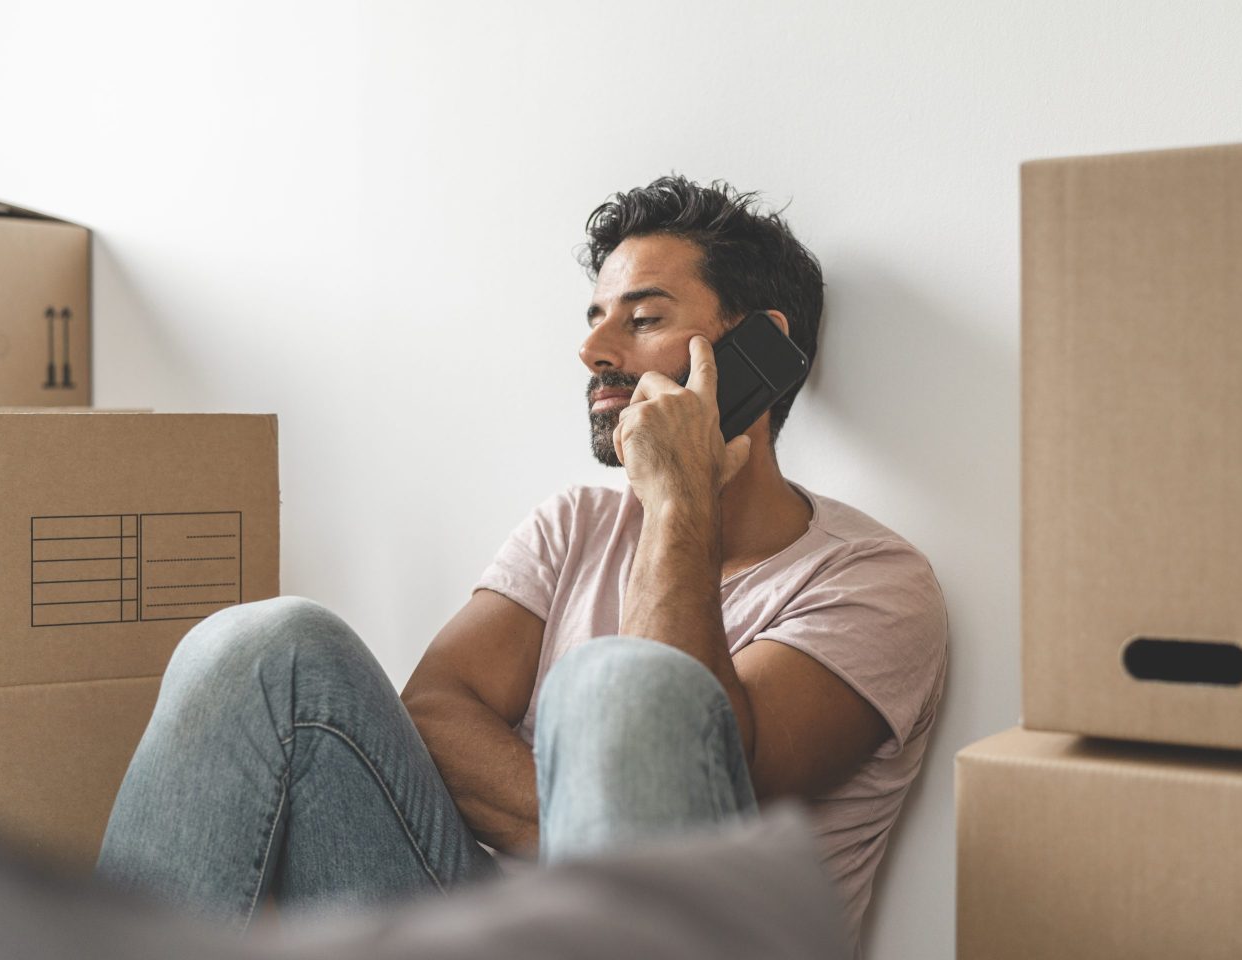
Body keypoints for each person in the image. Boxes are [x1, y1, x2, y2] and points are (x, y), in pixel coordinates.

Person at [96, 175, 949, 959]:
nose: (594, 352)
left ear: (758, 352)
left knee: (617, 687)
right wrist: (587, 813)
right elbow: (431, 709)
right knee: (264, 642)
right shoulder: (573, 525)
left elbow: (689, 815)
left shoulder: (872, 584)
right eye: (594, 318)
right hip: (488, 929)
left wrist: (679, 501)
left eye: (643, 320)